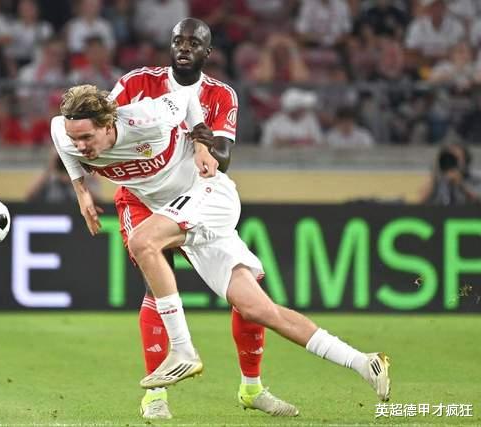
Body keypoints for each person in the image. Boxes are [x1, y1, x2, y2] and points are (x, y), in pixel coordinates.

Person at [51, 85, 392, 418]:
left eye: (87, 138)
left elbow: (187, 97)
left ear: (108, 125)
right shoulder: (65, 133)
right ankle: (364, 362)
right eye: (74, 139)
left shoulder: (146, 118)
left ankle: (183, 350)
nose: (79, 146)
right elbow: (62, 141)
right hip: (179, 213)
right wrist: (81, 191)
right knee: (259, 309)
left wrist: (201, 145)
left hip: (208, 195)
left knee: (143, 242)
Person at [108, 18, 283, 419]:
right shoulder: (136, 83)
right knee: (157, 286)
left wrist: (200, 136)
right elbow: (101, 124)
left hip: (194, 199)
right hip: (143, 197)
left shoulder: (220, 94)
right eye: (178, 41)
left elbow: (224, 158)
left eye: (194, 42)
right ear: (170, 45)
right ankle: (155, 396)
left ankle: (252, 388)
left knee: (249, 288)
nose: (184, 47)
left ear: (208, 52)